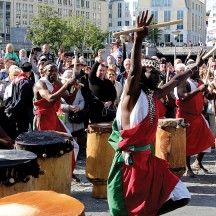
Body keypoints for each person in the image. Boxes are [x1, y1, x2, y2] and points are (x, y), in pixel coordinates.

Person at [107, 10, 206, 215]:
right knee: (127, 210)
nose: (158, 74)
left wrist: (194, 67)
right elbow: (134, 70)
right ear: (143, 75)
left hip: (148, 161)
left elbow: (176, 80)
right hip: (131, 164)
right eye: (152, 71)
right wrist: (138, 39)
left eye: (158, 71)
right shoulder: (131, 94)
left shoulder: (153, 94)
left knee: (181, 194)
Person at [175, 59, 215, 177]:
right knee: (187, 143)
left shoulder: (200, 81)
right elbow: (182, 97)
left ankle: (198, 162)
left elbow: (208, 95)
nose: (201, 70)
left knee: (208, 139)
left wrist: (211, 93)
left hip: (198, 116)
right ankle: (187, 168)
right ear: (192, 71)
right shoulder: (184, 82)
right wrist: (198, 90)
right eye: (198, 69)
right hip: (186, 117)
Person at [4, 62, 34, 139]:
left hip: (16, 112)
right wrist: (11, 108)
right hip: (23, 113)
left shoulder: (16, 81)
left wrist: (11, 107)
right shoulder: (26, 83)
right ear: (30, 72)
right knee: (22, 135)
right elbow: (21, 100)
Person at [88, 52, 117, 123]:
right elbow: (91, 73)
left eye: (103, 70)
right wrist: (98, 61)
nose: (102, 72)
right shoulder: (93, 80)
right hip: (95, 113)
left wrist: (110, 102)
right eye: (100, 70)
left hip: (108, 113)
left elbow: (114, 94)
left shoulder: (108, 82)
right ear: (97, 71)